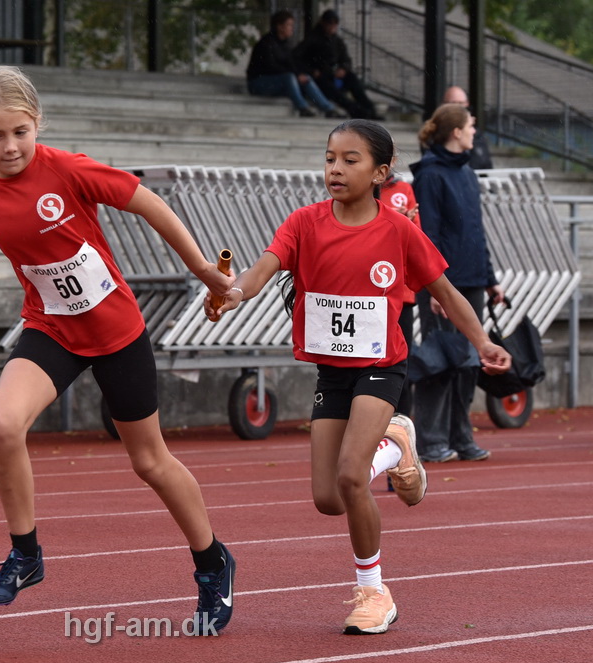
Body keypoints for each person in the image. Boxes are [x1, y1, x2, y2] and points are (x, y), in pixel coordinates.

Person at [0, 65, 237, 634]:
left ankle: (212, 561)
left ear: (37, 123)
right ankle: (25, 555)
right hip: (51, 329)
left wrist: (200, 271)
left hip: (116, 332)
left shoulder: (68, 169)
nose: (10, 145)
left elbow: (150, 205)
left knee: (149, 461)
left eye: (20, 131)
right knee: (1, 425)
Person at [205, 119, 510, 634]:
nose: (336, 169)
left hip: (381, 367)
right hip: (333, 370)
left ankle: (373, 592)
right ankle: (398, 447)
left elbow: (447, 293)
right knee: (328, 498)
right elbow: (262, 269)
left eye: (350, 160)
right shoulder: (304, 222)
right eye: (330, 159)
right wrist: (232, 294)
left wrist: (483, 343)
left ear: (380, 173)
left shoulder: (398, 232)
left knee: (351, 475)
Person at [410, 104, 506, 463]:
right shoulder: (431, 174)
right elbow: (429, 234)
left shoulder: (467, 172)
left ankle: (461, 436)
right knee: (440, 361)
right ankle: (431, 440)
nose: (474, 132)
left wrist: (491, 279)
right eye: (470, 126)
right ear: (455, 132)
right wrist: (436, 286)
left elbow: (476, 232)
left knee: (468, 363)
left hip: (472, 279)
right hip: (442, 283)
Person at [246, 10, 345, 118]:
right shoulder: (266, 43)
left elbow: (292, 64)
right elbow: (270, 67)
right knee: (289, 77)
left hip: (278, 82)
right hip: (258, 83)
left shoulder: (286, 45)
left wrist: (299, 75)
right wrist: (294, 75)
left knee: (305, 78)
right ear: (279, 26)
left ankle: (328, 109)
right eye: (289, 25)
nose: (292, 28)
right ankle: (302, 107)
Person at [379, 170, 421, 417]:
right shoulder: (359, 191)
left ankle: (402, 422)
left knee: (400, 359)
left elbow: (417, 238)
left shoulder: (404, 190)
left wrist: (404, 223)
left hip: (400, 293)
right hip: (365, 294)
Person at [293, 10, 382, 120]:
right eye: (330, 24)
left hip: (333, 74)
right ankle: (357, 110)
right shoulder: (312, 39)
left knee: (352, 79)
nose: (332, 27)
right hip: (320, 76)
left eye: (334, 24)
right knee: (335, 93)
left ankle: (370, 108)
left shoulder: (336, 41)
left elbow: (345, 59)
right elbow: (297, 58)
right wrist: (311, 71)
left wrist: (343, 68)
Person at [442, 86, 494, 170]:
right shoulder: (434, 170)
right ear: (457, 133)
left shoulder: (478, 137)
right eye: (454, 103)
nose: (473, 131)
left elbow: (487, 165)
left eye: (461, 103)